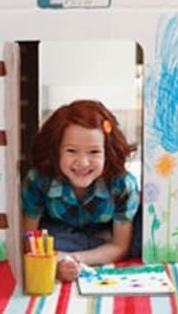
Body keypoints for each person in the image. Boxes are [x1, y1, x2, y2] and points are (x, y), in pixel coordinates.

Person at [21, 100, 141, 282]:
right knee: (47, 238)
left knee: (140, 240)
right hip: (61, 233)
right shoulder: (39, 180)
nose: (83, 162)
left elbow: (119, 246)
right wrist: (54, 260)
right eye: (71, 151)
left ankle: (79, 252)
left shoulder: (123, 185)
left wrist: (74, 259)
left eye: (94, 152)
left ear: (107, 152)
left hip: (107, 233)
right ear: (56, 151)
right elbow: (29, 240)